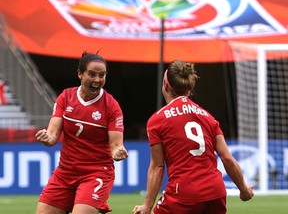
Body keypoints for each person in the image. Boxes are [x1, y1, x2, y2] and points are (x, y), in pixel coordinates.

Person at [133, 60, 254, 214]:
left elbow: (157, 167)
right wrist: (243, 189)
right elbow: (227, 158)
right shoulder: (208, 117)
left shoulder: (157, 120)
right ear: (189, 90)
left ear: (165, 85)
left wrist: (147, 206)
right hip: (215, 191)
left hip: (184, 191)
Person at [35, 51, 128, 214]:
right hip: (66, 171)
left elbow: (115, 145)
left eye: (102, 75)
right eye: (92, 74)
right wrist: (46, 137)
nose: (97, 80)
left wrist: (118, 152)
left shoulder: (111, 106)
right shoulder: (66, 97)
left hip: (96, 172)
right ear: (80, 74)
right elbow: (52, 135)